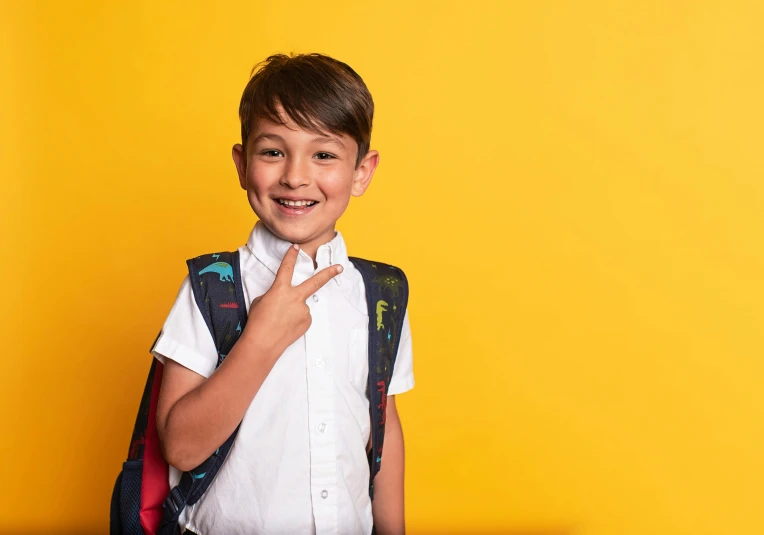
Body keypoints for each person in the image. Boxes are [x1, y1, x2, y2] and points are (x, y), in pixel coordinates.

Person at [151, 53, 414, 535]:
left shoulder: (381, 293)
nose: (295, 176)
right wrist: (261, 339)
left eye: (324, 154)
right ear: (241, 163)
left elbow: (384, 427)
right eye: (273, 152)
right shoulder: (211, 287)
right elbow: (181, 448)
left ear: (362, 171)